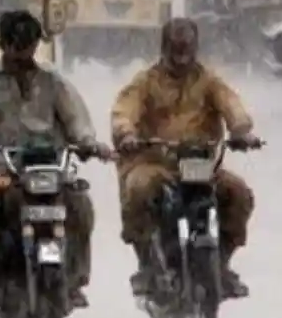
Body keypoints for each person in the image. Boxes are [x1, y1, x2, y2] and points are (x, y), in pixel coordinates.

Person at [0, 9, 111, 312]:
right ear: (3, 44)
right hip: (0, 171)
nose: (24, 55)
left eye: (30, 46)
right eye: (17, 47)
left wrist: (90, 143)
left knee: (80, 203)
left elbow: (75, 117)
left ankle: (75, 279)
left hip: (49, 169)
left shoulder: (51, 79)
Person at [110, 18, 260, 298]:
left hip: (201, 166)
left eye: (187, 48)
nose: (182, 55)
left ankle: (221, 263)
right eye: (176, 48)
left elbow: (232, 105)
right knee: (138, 190)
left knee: (238, 194)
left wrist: (241, 130)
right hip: (156, 164)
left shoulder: (209, 81)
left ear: (196, 47)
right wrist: (126, 134)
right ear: (165, 47)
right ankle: (147, 264)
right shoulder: (146, 82)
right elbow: (124, 110)